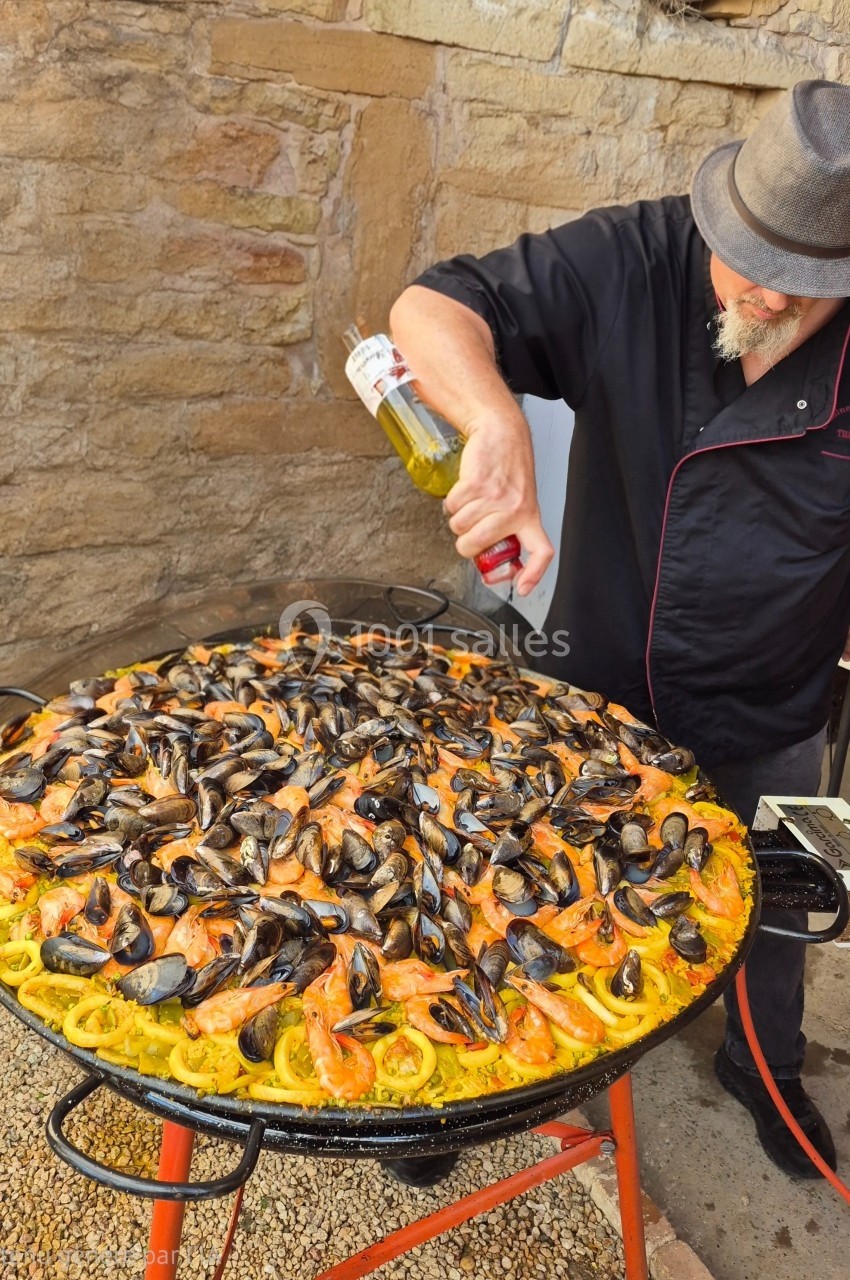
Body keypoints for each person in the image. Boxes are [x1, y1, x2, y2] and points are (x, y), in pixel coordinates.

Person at [383, 79, 850, 1188]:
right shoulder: (639, 255)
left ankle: (766, 1068)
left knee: (775, 910)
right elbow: (427, 307)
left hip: (776, 700)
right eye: (747, 261)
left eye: (802, 283)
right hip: (589, 681)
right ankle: (466, 1079)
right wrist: (495, 420)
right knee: (509, 884)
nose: (761, 296)